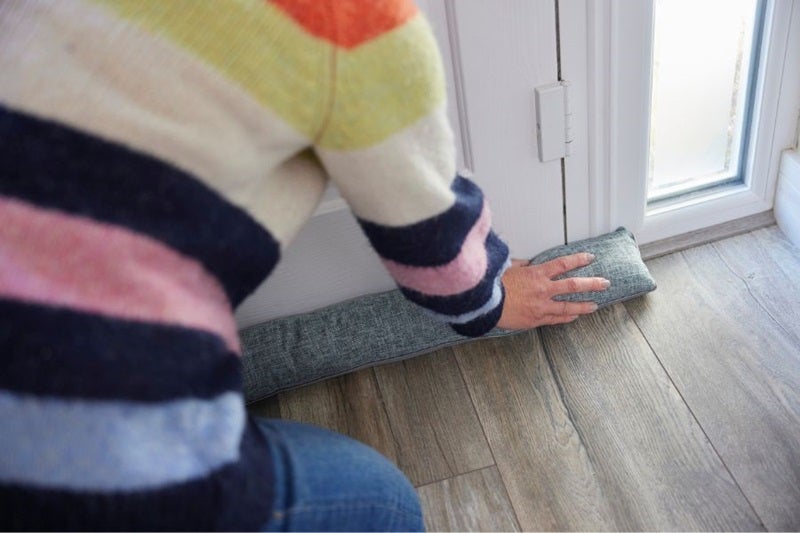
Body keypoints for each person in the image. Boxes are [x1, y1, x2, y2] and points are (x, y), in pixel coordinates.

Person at [0, 0, 608, 530]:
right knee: (382, 505)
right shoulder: (351, 22)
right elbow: (429, 235)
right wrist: (492, 298)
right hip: (81, 452)